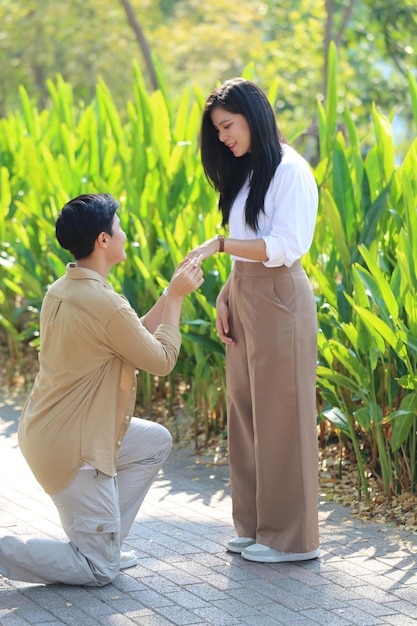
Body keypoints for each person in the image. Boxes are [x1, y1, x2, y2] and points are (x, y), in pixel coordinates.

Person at [0, 193, 204, 586]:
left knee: (154, 442)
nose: (125, 234)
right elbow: (161, 360)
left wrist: (168, 292)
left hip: (47, 432)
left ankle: (103, 539)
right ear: (103, 241)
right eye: (119, 227)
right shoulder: (103, 302)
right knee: (99, 571)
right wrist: (177, 298)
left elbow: (130, 334)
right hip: (74, 448)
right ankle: (92, 552)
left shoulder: (64, 288)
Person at [187, 78, 320, 563]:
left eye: (227, 126)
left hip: (280, 295)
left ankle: (291, 539)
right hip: (244, 291)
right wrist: (227, 292)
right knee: (245, 414)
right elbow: (250, 246)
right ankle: (255, 525)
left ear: (253, 116)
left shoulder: (290, 170)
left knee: (282, 415)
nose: (222, 137)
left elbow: (285, 245)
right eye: (217, 130)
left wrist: (218, 246)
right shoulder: (247, 172)